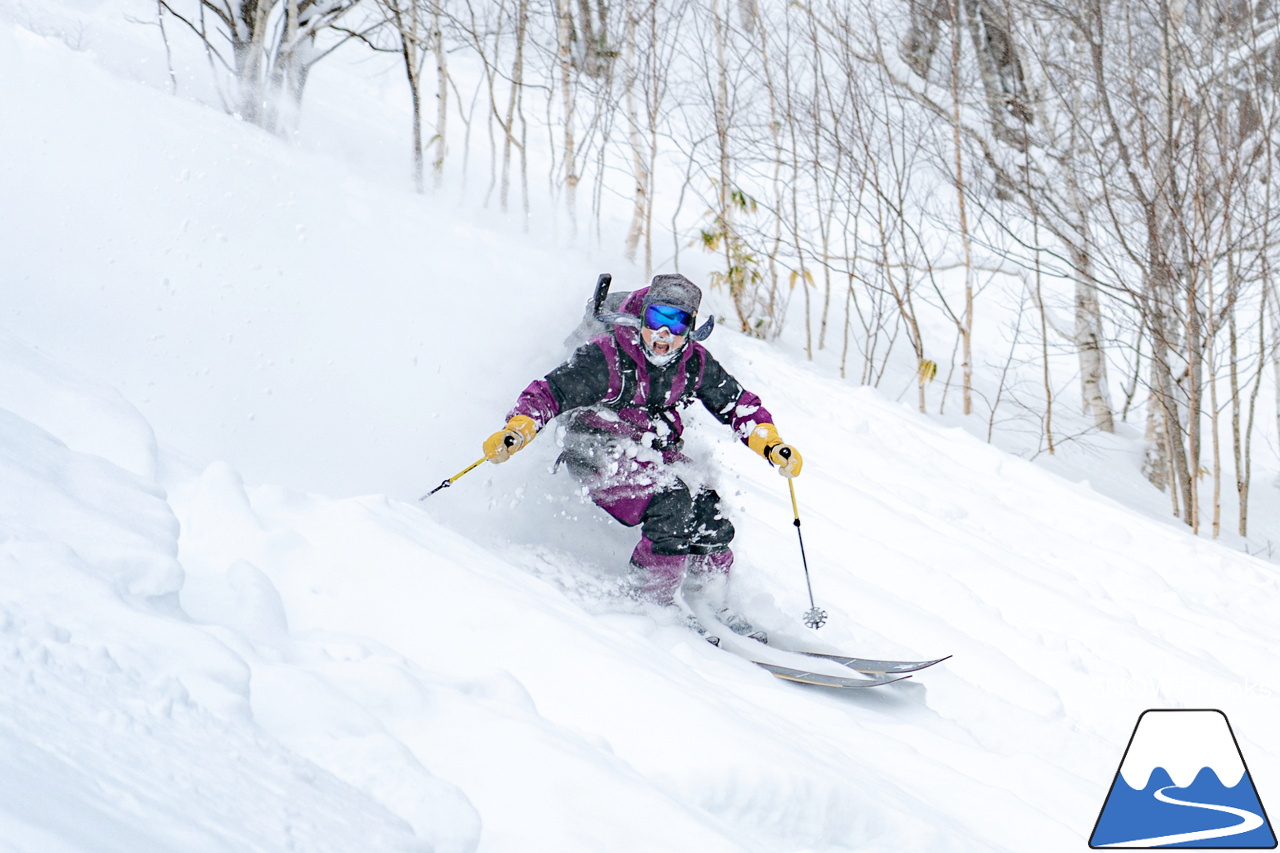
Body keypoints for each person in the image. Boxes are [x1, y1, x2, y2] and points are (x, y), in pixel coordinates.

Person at [482, 274, 802, 642]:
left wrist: (769, 442)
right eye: (656, 320)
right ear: (641, 317)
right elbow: (549, 394)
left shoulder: (692, 363)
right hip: (595, 447)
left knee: (706, 509)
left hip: (648, 447)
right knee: (672, 503)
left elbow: (737, 404)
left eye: (677, 323)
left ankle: (710, 598)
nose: (664, 334)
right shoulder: (605, 356)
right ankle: (653, 601)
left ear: (691, 330)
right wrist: (519, 428)